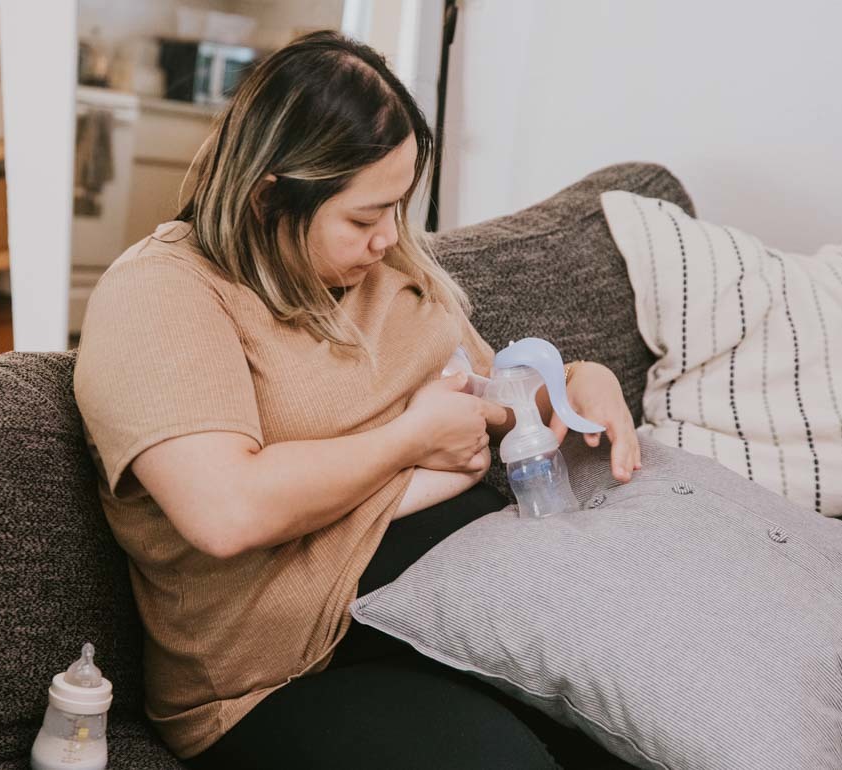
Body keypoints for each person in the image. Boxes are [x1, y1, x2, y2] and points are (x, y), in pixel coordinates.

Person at [74, 31, 641, 770]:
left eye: (396, 209)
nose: (388, 240)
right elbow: (225, 511)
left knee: (645, 712)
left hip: (458, 599)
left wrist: (569, 384)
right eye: (364, 218)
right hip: (284, 674)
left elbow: (481, 395)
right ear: (267, 196)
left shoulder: (384, 266)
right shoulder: (164, 294)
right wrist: (408, 444)